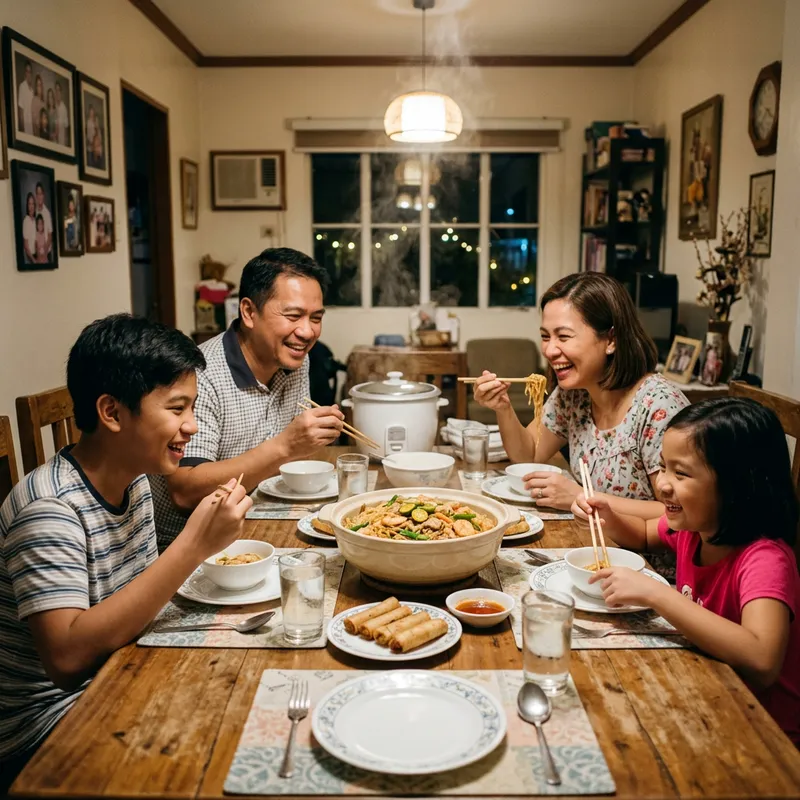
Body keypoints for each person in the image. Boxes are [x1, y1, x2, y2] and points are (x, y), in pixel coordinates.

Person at [0, 314, 253, 791]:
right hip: (44, 730)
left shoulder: (134, 477)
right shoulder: (49, 509)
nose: (192, 427)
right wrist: (194, 545)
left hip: (120, 671)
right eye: (177, 409)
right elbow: (68, 658)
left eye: (193, 407)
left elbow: (137, 596)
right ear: (112, 413)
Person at [576, 398, 799, 747]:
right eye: (663, 467)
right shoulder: (695, 529)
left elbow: (762, 659)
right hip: (708, 693)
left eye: (680, 473)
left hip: (763, 733)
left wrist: (657, 593)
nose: (663, 483)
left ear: (737, 484)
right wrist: (609, 517)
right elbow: (646, 534)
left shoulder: (765, 559)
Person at [149, 248, 345, 551]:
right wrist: (285, 446)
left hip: (257, 521)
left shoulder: (295, 360)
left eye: (316, 318)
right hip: (188, 547)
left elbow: (291, 461)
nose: (307, 332)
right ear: (249, 312)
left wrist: (306, 441)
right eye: (293, 316)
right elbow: (185, 492)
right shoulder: (202, 374)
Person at [472, 272, 689, 514]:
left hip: (642, 552)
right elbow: (529, 456)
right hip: (593, 542)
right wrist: (503, 407)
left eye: (563, 336)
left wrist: (582, 497)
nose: (550, 350)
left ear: (611, 340)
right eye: (545, 336)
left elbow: (678, 512)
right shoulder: (575, 395)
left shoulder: (658, 406)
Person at [34, 182, 53, 259]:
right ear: (36, 196)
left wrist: (44, 253)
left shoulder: (47, 213)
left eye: (41, 194)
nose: (39, 196)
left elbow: (49, 236)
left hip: (46, 253)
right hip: (36, 253)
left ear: (43, 195)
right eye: (37, 194)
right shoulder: (33, 212)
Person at [17, 61, 34, 134]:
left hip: (32, 128)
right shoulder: (22, 86)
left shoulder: (32, 90)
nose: (28, 74)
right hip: (25, 129)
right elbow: (21, 110)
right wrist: (22, 130)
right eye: (27, 71)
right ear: (25, 73)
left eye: (30, 72)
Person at [21, 192, 37, 263]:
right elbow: (26, 245)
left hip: (37, 255)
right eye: (29, 204)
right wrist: (33, 260)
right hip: (29, 257)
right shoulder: (26, 221)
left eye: (33, 204)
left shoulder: (37, 220)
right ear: (27, 206)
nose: (31, 206)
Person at [54, 81, 69, 147]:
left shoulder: (64, 108)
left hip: (61, 141)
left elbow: (66, 126)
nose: (57, 92)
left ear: (61, 92)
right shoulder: (52, 106)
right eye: (56, 90)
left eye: (59, 90)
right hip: (54, 140)